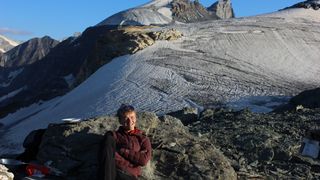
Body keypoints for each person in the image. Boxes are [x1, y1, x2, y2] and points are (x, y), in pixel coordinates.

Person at [98, 104, 152, 180]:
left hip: (130, 175)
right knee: (108, 139)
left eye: (132, 117)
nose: (130, 121)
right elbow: (108, 156)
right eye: (126, 118)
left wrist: (122, 151)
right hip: (114, 172)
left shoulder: (143, 138)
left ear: (136, 118)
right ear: (120, 121)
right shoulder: (114, 136)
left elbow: (144, 160)